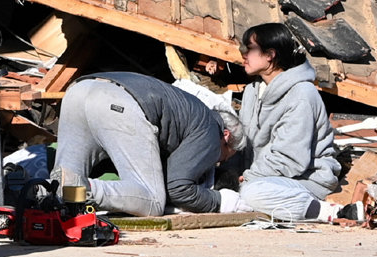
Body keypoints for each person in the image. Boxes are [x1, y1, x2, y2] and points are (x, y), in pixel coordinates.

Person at [51, 71, 248, 217]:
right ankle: (84, 188)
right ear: (226, 136)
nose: (217, 162)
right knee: (151, 201)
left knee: (60, 189)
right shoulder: (210, 131)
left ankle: (39, 192)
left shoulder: (194, 113)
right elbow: (178, 188)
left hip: (79, 90)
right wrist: (221, 201)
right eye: (223, 155)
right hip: (118, 103)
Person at [236, 23, 362, 222]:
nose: (243, 54)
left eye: (249, 48)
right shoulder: (252, 90)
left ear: (270, 55)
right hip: (263, 177)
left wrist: (249, 178)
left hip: (306, 178)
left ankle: (327, 211)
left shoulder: (302, 94)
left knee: (251, 194)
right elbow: (243, 143)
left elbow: (291, 158)